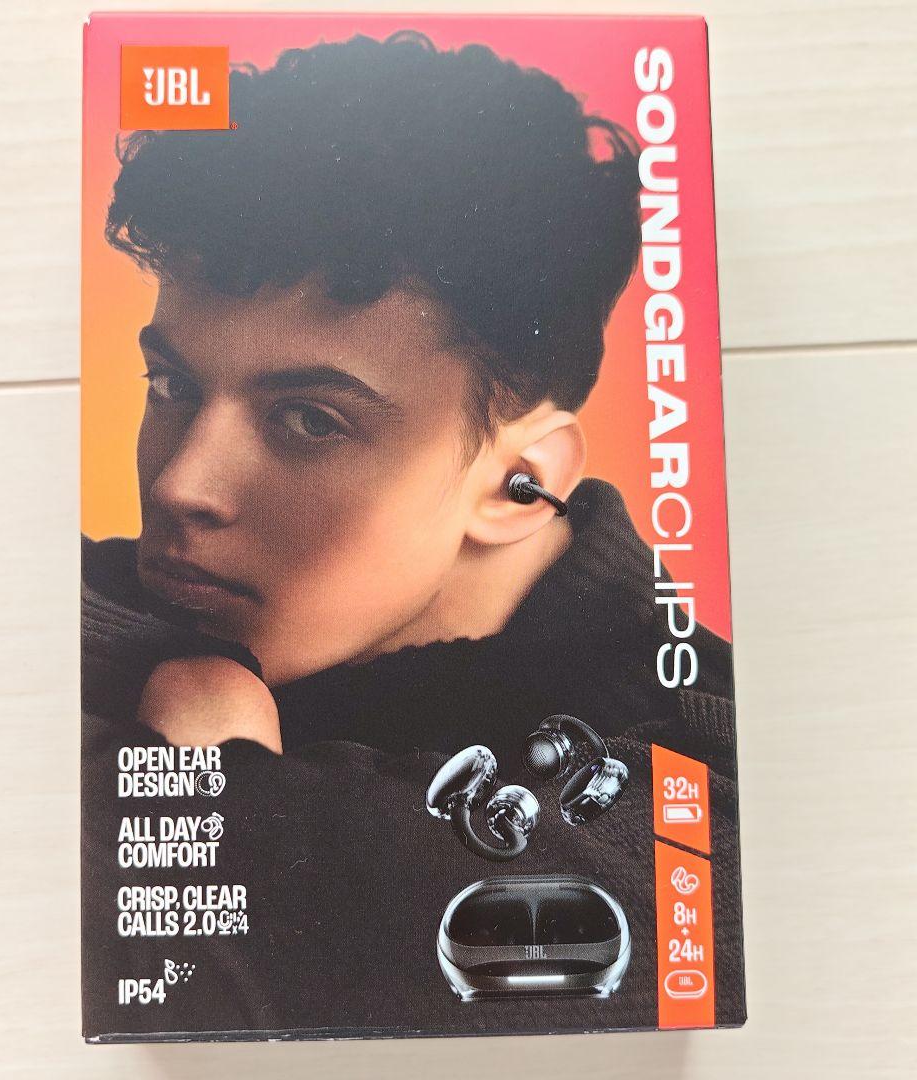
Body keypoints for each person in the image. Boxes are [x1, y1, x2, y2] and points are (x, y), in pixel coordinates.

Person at [82, 30, 744, 1039]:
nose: (181, 485)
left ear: (521, 487)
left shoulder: (696, 776)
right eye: (171, 385)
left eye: (310, 420)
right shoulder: (93, 617)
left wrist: (220, 777)